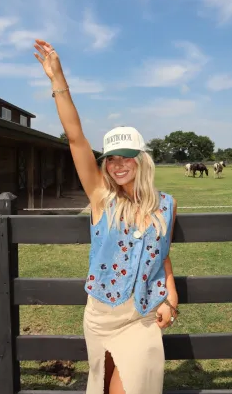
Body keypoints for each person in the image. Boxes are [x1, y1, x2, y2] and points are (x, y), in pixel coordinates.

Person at [34, 39, 179, 394]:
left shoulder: (166, 204)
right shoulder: (101, 198)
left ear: (141, 159)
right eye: (112, 158)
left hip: (142, 315)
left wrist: (171, 299)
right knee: (102, 386)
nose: (118, 164)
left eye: (127, 157)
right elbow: (75, 138)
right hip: (101, 315)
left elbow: (163, 253)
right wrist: (58, 79)